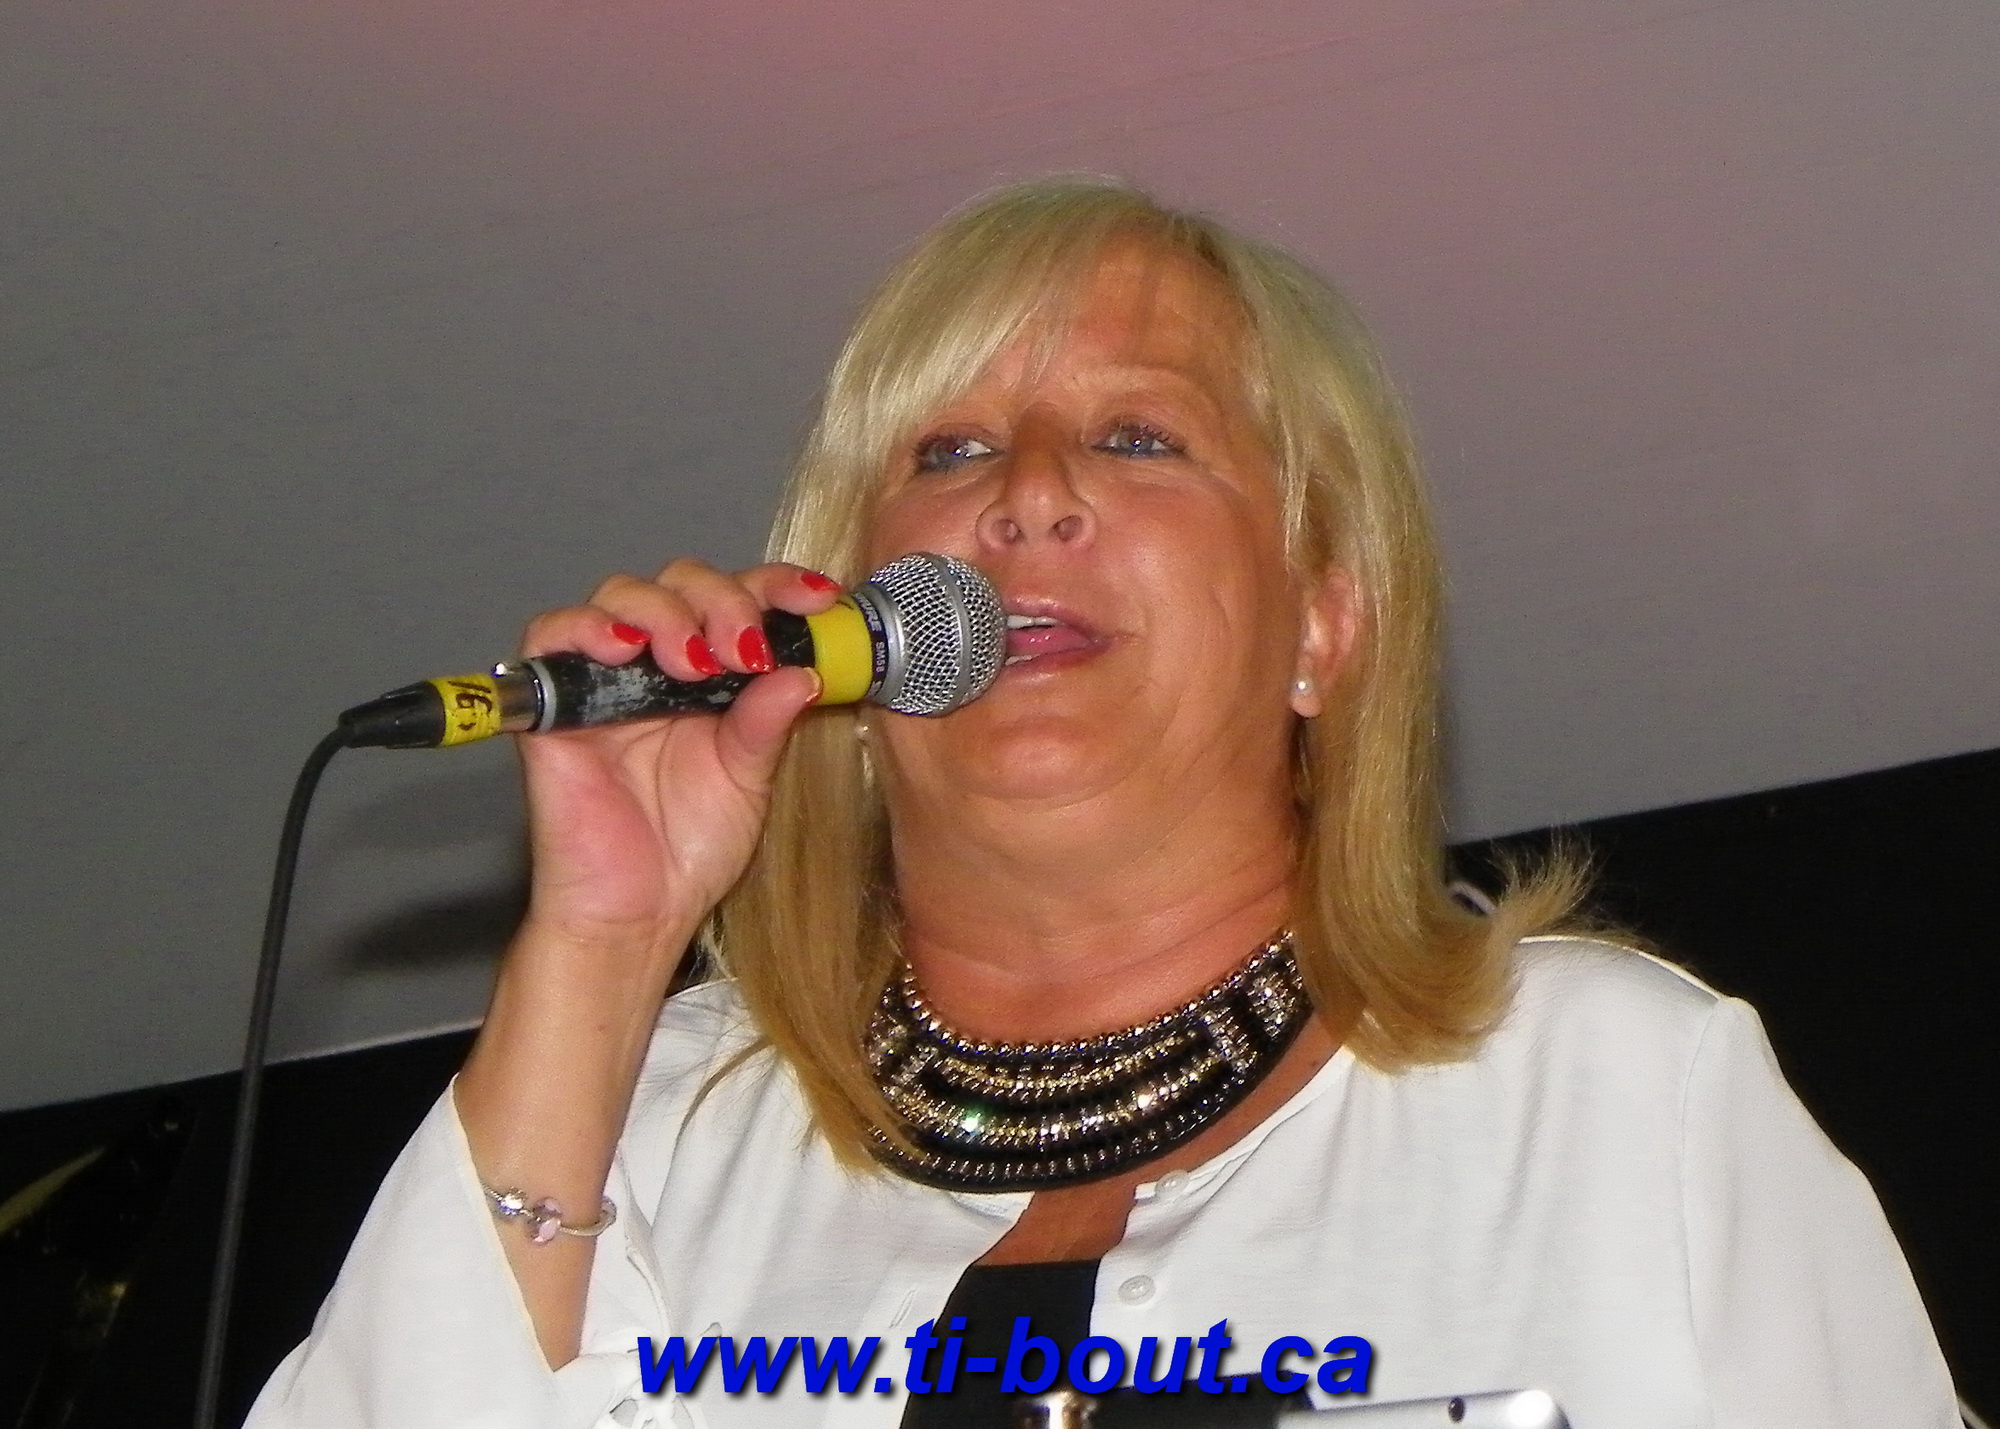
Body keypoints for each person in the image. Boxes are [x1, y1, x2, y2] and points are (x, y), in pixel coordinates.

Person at [248, 178, 1958, 1429]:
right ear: (843, 635)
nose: (1030, 495)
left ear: (1321, 625)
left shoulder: (1605, 1089)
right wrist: (603, 947)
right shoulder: (653, 1121)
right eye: (949, 451)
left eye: (1139, 438)